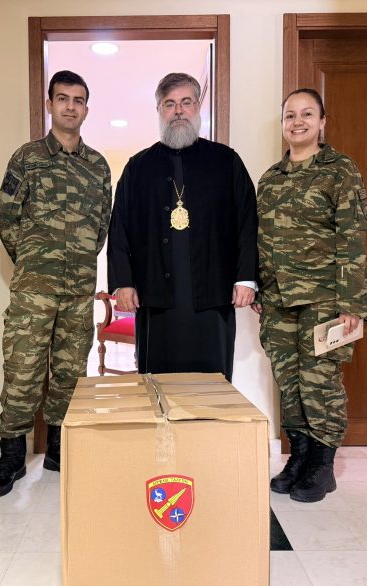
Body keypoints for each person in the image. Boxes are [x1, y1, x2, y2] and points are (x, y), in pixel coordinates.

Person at [0, 71, 112, 497]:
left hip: (78, 290)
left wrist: (76, 264)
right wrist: (33, 261)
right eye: (63, 98)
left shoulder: (98, 166)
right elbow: (7, 219)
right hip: (34, 289)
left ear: (86, 108)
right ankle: (11, 456)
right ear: (50, 104)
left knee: (71, 372)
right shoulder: (27, 157)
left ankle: (58, 448)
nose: (70, 106)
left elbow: (102, 226)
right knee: (23, 369)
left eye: (78, 100)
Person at [254, 88, 367, 503]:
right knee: (289, 382)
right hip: (278, 299)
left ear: (322, 122)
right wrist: (259, 286)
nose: (298, 121)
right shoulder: (271, 178)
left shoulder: (340, 171)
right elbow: (260, 239)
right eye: (290, 115)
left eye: (307, 114)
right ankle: (299, 459)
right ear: (283, 123)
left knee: (319, 381)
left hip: (326, 297)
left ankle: (322, 466)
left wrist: (353, 302)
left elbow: (352, 238)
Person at [106, 73, 257, 381]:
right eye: (169, 104)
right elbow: (119, 228)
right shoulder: (138, 167)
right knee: (159, 385)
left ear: (197, 107)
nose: (178, 111)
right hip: (155, 296)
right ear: (159, 110)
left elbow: (247, 222)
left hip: (213, 294)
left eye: (186, 102)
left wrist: (246, 277)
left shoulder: (226, 161)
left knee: (212, 385)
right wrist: (122, 283)